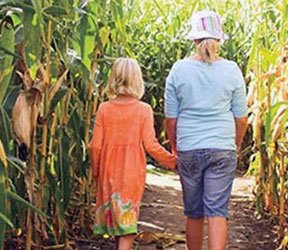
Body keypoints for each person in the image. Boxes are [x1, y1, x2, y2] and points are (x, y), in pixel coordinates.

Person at [164, 10, 249, 250]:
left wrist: (175, 147)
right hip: (222, 147)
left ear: (193, 39)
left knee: (193, 212)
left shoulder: (179, 70)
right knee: (217, 212)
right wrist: (235, 142)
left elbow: (172, 118)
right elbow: (241, 117)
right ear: (219, 39)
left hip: (189, 147)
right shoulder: (232, 70)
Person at [89, 58, 177, 250]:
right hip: (132, 173)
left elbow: (95, 145)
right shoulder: (143, 110)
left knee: (116, 218)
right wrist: (173, 162)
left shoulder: (104, 108)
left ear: (114, 79)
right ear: (137, 80)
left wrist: (96, 170)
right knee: (127, 221)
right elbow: (151, 145)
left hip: (108, 171)